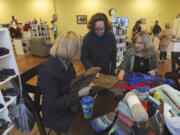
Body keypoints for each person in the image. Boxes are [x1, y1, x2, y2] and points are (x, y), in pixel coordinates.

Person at [38, 31, 92, 135]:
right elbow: (53, 104)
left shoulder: (68, 63)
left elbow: (70, 82)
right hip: (55, 115)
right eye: (76, 48)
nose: (78, 51)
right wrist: (79, 94)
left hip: (67, 105)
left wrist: (85, 80)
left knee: (91, 112)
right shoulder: (47, 71)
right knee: (85, 125)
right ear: (68, 49)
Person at [81, 13, 117, 77]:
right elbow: (84, 58)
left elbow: (113, 55)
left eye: (102, 29)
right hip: (92, 72)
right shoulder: (87, 38)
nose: (99, 32)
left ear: (105, 26)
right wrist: (92, 70)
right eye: (96, 29)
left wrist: (112, 71)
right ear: (92, 27)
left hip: (106, 71)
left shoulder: (110, 36)